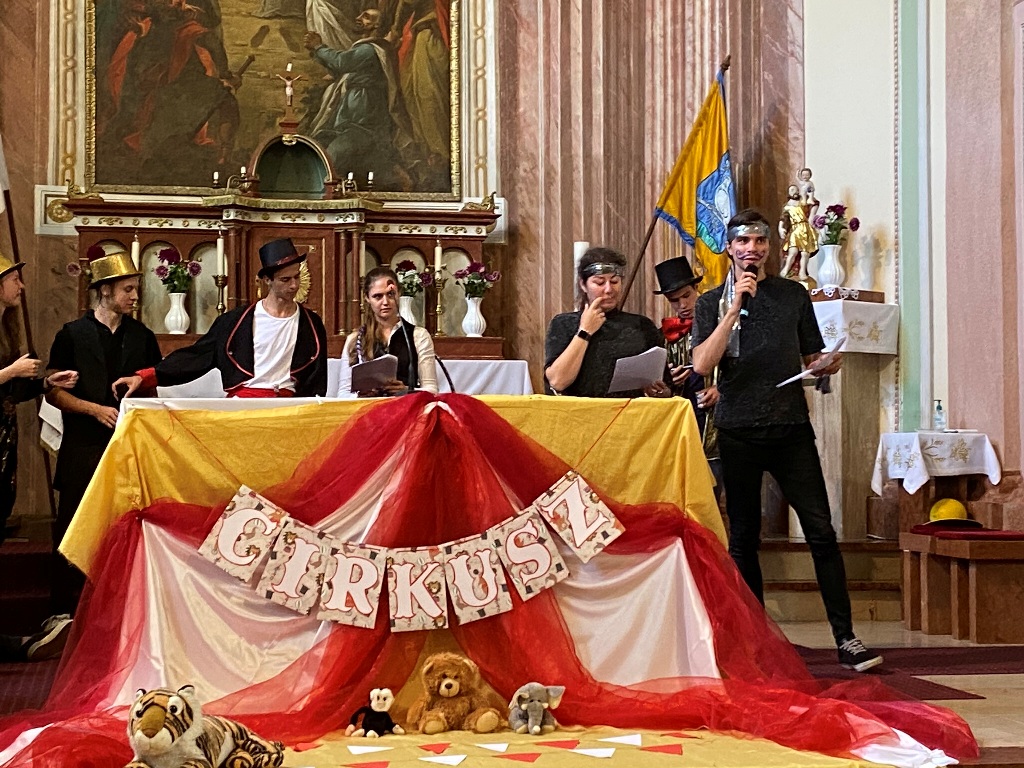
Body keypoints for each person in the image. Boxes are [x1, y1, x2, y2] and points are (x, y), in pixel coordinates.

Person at [691, 209, 882, 672]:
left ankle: (846, 638)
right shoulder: (711, 302)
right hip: (738, 430)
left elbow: (811, 355)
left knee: (821, 531)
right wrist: (733, 309)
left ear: (769, 248)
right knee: (744, 539)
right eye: (743, 241)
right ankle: (757, 642)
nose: (752, 249)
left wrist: (823, 366)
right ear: (730, 249)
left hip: (790, 427)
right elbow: (701, 364)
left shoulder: (793, 295)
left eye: (760, 241)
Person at [46, 248, 161, 618]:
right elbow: (53, 393)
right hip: (83, 447)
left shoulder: (142, 336)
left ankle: (122, 610)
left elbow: (153, 388)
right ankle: (66, 613)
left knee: (123, 526)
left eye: (136, 288)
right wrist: (94, 409)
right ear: (105, 290)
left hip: (128, 448)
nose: (134, 296)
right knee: (75, 527)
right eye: (128, 289)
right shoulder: (72, 335)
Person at [114, 238, 328, 399]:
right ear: (266, 280)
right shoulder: (234, 322)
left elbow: (317, 379)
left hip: (290, 407)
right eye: (285, 279)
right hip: (244, 405)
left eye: (297, 277)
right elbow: (196, 357)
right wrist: (145, 376)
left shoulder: (311, 323)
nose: (294, 285)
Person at [0, 253, 79, 662]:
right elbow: (8, 380)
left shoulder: (6, 327)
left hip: (3, 443)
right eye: (14, 279)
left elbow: (14, 393)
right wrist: (10, 372)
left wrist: (46, 381)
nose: (21, 286)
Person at [304, 10, 412, 189]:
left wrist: (319, 47)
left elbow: (342, 62)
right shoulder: (366, 48)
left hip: (363, 122)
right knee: (318, 149)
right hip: (350, 118)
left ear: (377, 25)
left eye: (366, 17)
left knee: (332, 159)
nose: (358, 18)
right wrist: (317, 51)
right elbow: (339, 68)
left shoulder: (370, 50)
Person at [544, 246, 669, 398]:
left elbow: (666, 385)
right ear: (583, 285)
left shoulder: (643, 326)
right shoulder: (564, 324)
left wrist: (660, 391)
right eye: (600, 283)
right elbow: (557, 382)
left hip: (630, 410)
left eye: (614, 281)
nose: (609, 289)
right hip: (580, 411)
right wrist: (584, 331)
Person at [652, 257, 722, 501]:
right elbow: (658, 389)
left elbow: (743, 368)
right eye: (674, 300)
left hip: (718, 431)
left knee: (715, 498)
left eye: (686, 296)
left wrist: (721, 389)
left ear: (696, 289)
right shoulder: (662, 338)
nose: (683, 305)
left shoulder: (720, 327)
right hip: (682, 432)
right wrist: (668, 386)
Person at [339, 266, 438, 397]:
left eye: (390, 294)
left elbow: (432, 390)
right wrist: (360, 396)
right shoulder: (355, 339)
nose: (385, 302)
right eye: (378, 296)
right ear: (367, 298)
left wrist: (406, 390)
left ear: (399, 293)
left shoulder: (418, 336)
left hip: (406, 406)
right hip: (368, 408)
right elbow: (343, 393)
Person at [779, 185, 818, 281]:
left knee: (805, 253)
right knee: (793, 252)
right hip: (795, 230)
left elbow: (813, 202)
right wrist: (780, 228)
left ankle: (802, 272)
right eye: (792, 190)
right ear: (789, 193)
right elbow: (783, 218)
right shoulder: (787, 206)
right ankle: (786, 270)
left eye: (796, 190)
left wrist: (810, 191)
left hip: (805, 229)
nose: (795, 192)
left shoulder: (802, 201)